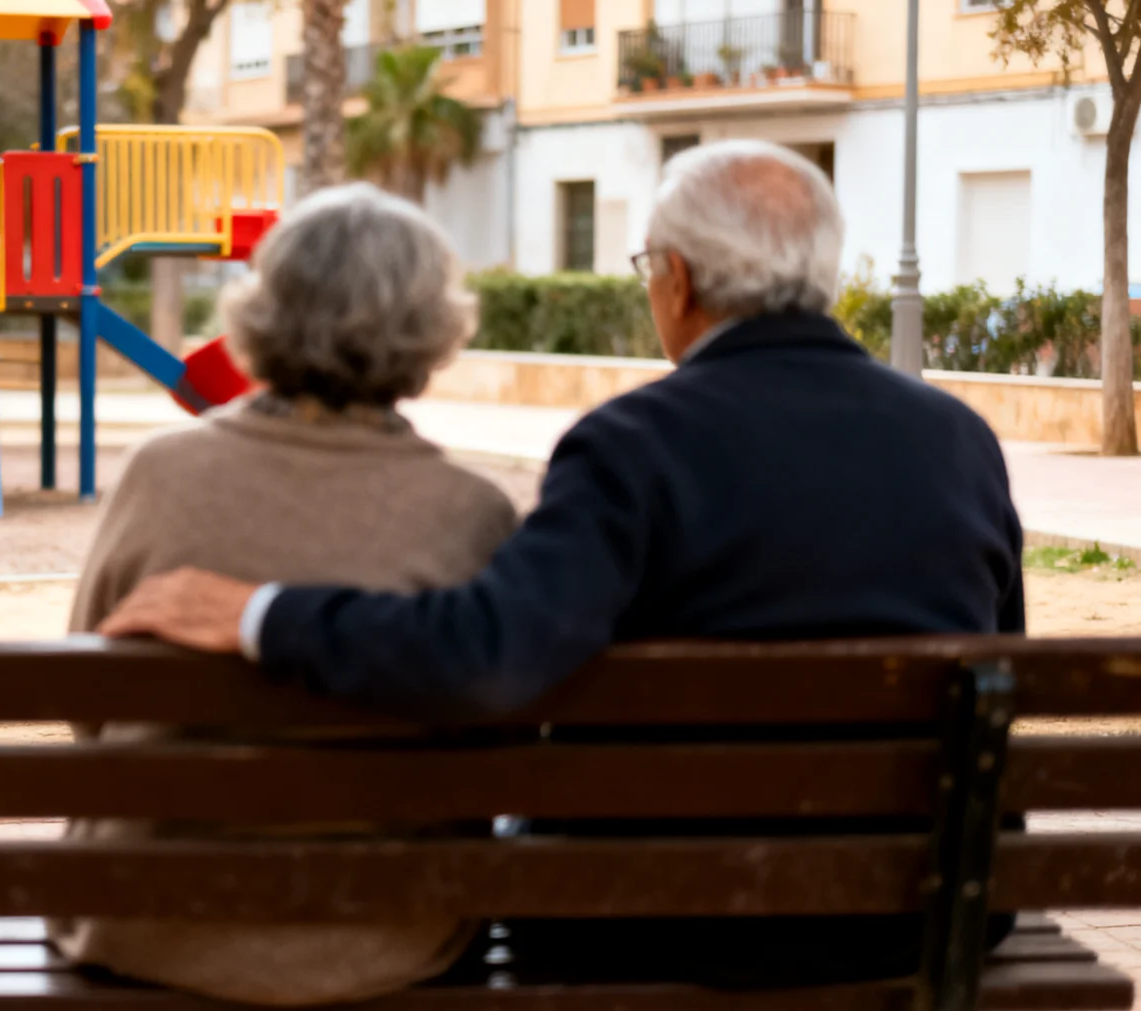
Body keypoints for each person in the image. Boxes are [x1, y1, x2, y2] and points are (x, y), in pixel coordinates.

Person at [98, 140, 1026, 984]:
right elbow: (1002, 658)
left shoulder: (634, 446)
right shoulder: (958, 439)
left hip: (658, 921)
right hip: (921, 909)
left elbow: (494, 655)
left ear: (676, 278)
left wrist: (261, 614)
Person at [51, 183, 519, 1006]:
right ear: (433, 328)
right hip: (382, 936)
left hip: (147, 920)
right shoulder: (471, 512)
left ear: (261, 310)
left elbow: (91, 701)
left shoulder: (162, 473)